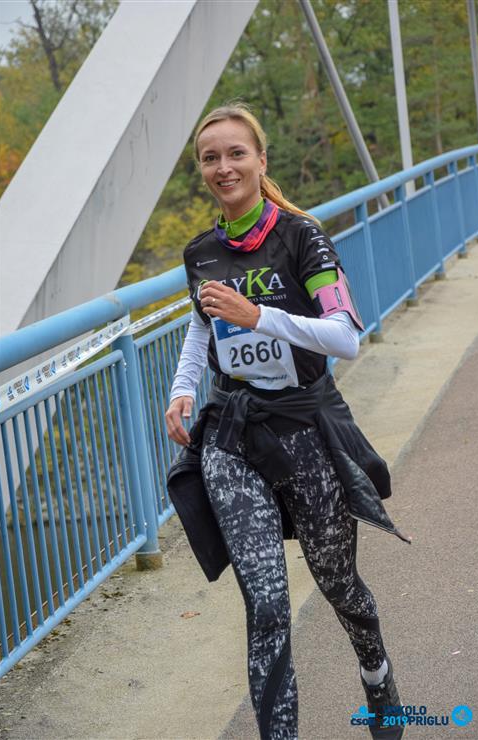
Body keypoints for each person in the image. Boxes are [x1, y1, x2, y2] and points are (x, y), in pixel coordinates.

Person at [165, 103, 406, 740]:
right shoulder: (201, 253)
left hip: (305, 433)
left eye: (235, 153)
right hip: (232, 436)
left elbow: (345, 337)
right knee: (267, 604)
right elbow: (202, 325)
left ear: (260, 160)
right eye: (210, 158)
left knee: (340, 587)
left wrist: (259, 317)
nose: (224, 167)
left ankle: (377, 675)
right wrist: (183, 390)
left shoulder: (304, 237)